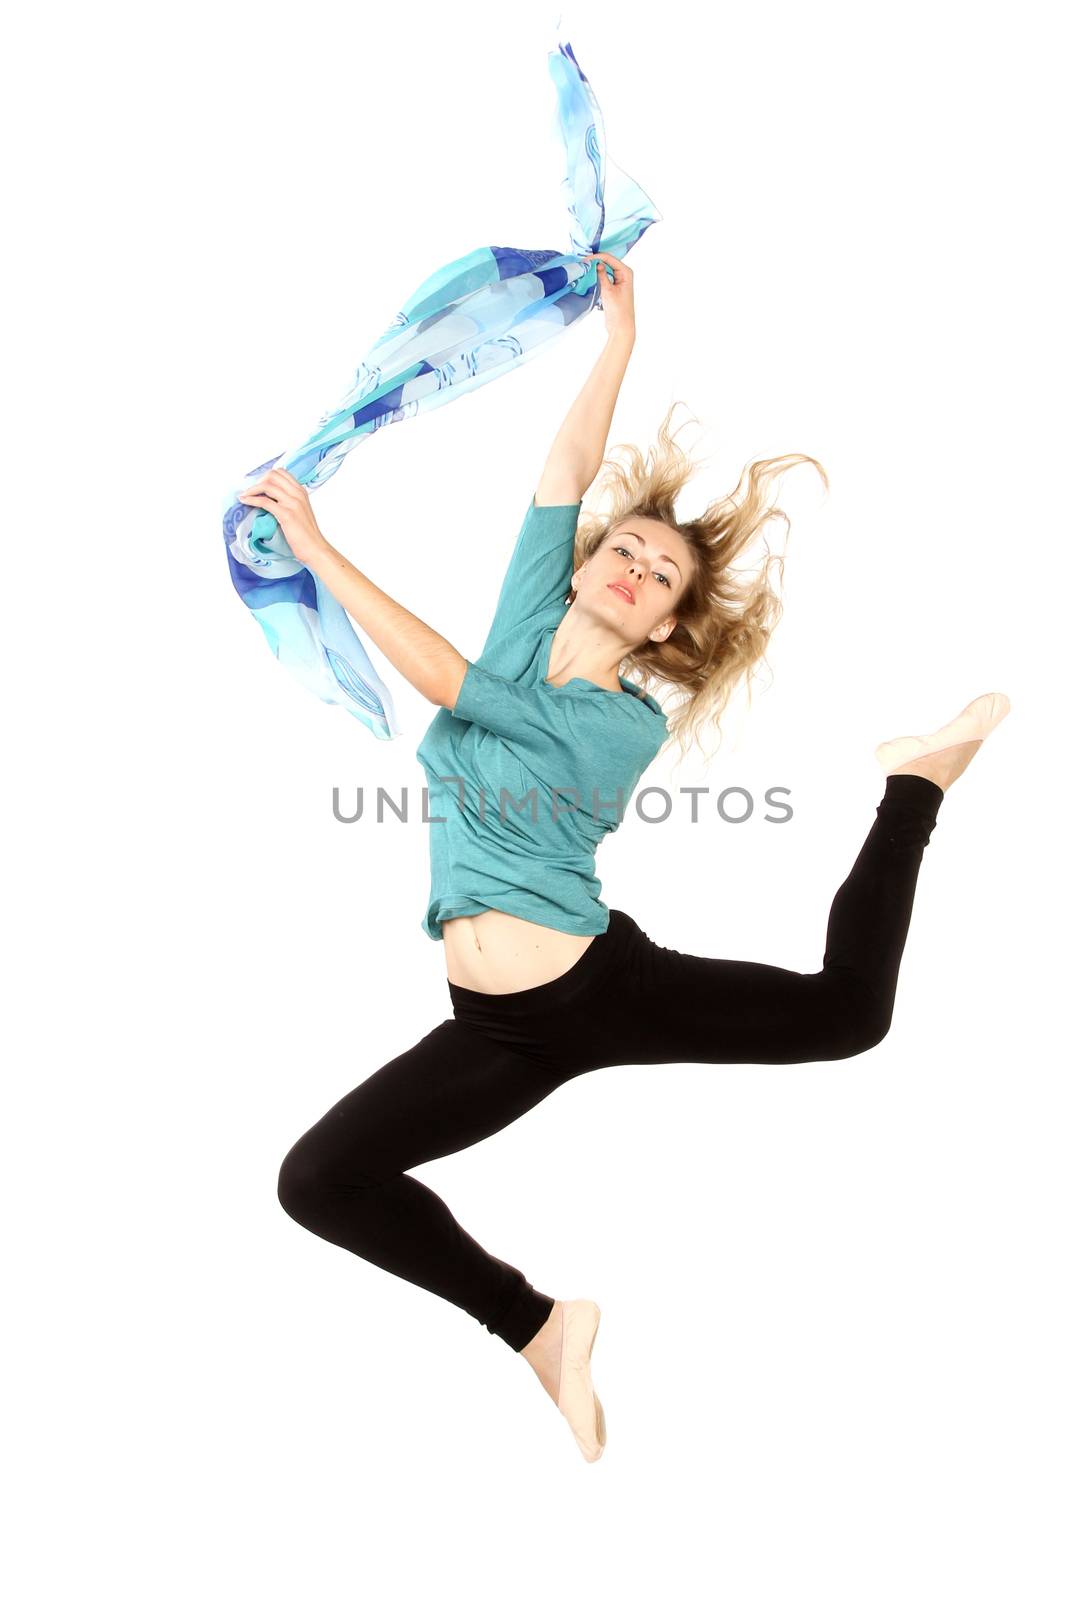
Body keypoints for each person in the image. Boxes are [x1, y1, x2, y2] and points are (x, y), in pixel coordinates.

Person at [245, 251, 1011, 1463]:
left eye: (661, 579)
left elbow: (449, 684)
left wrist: (322, 552)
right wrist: (617, 341)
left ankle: (911, 783)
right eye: (630, 549)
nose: (637, 568)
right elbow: (562, 473)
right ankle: (540, 1325)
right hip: (489, 1028)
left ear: (662, 627)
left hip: (596, 988)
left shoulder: (619, 724)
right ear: (593, 562)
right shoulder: (527, 621)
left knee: (847, 1013)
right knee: (319, 1181)